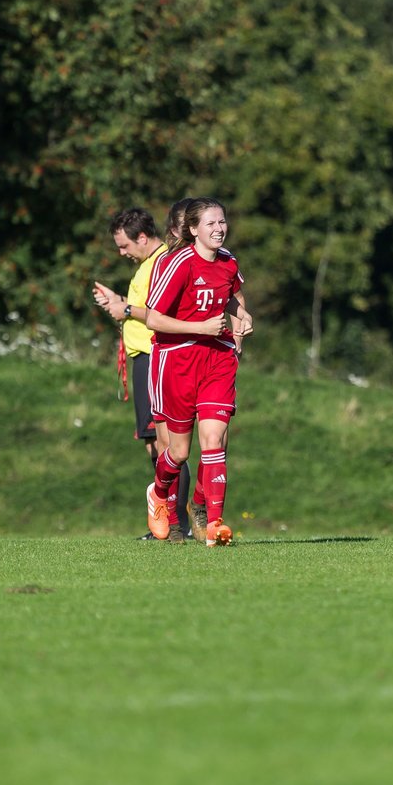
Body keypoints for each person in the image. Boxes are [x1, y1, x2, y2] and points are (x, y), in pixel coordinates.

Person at [144, 197, 253, 546]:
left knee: (214, 442)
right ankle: (159, 496)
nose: (219, 229)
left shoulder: (228, 261)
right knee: (177, 452)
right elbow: (153, 319)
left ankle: (214, 525)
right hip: (176, 361)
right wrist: (200, 328)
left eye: (222, 222)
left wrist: (242, 318)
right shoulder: (178, 264)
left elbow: (234, 299)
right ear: (193, 230)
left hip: (218, 359)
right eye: (210, 224)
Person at [92, 206, 194, 542]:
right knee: (156, 445)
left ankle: (178, 522)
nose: (121, 253)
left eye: (124, 246)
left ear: (141, 237)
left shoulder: (162, 261)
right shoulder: (146, 266)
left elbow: (160, 313)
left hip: (155, 357)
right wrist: (119, 302)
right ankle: (169, 521)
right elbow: (144, 309)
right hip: (143, 358)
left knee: (168, 444)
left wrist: (124, 308)